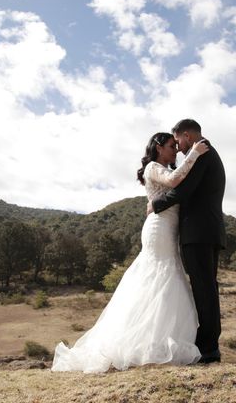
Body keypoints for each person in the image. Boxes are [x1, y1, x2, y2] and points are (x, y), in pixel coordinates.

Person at [51, 132, 209, 373]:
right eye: (171, 146)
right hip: (159, 229)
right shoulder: (153, 167)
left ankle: (154, 341)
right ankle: (142, 343)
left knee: (167, 280)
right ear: (158, 147)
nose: (176, 150)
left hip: (170, 229)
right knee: (158, 277)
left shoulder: (160, 166)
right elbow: (175, 180)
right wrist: (195, 154)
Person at [149, 119, 226, 364]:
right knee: (207, 288)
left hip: (199, 232)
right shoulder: (206, 152)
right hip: (206, 230)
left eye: (178, 141)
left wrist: (156, 205)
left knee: (204, 290)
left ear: (187, 135)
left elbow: (183, 190)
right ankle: (208, 345)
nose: (179, 149)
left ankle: (208, 348)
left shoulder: (201, 153)